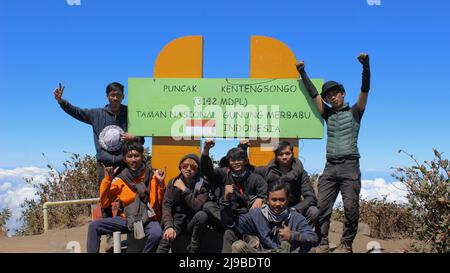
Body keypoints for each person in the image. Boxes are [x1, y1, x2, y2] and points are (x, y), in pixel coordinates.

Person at [296, 53, 371, 253]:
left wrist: (366, 67)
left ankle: (346, 244)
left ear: (343, 94)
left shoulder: (356, 111)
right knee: (321, 208)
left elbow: (365, 90)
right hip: (330, 167)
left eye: (335, 93)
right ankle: (323, 243)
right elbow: (313, 95)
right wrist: (302, 72)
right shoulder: (327, 114)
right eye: (328, 95)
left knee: (351, 209)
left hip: (350, 166)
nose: (331, 97)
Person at [53, 82, 145, 220]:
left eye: (118, 95)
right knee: (105, 197)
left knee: (128, 194)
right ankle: (109, 231)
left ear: (123, 96)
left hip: (125, 163)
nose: (115, 98)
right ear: (107, 96)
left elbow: (141, 139)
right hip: (105, 163)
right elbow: (77, 112)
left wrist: (134, 137)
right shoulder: (96, 114)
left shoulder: (130, 114)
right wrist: (61, 101)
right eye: (113, 95)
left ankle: (128, 224)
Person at [86, 141, 165, 253]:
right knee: (94, 226)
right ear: (124, 159)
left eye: (136, 156)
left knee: (156, 233)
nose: (133, 159)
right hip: (127, 219)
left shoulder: (153, 175)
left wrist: (161, 184)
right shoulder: (120, 179)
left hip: (148, 218)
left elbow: (159, 201)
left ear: (142, 156)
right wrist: (107, 180)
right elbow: (105, 203)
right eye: (130, 156)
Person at [221, 180, 318, 253]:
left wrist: (292, 235)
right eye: (274, 200)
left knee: (312, 250)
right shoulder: (256, 215)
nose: (278, 204)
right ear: (267, 200)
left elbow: (313, 238)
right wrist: (226, 199)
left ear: (287, 200)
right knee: (238, 246)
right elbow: (231, 223)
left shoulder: (295, 217)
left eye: (282, 200)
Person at [247, 140, 319, 227]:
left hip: (293, 209)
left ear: (292, 154)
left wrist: (294, 209)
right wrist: (243, 148)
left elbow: (311, 198)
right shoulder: (267, 171)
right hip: (272, 208)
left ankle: (303, 235)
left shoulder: (301, 173)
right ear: (276, 156)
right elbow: (248, 169)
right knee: (255, 209)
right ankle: (260, 236)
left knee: (313, 211)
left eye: (287, 153)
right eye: (281, 154)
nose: (284, 157)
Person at [157, 154, 210, 253]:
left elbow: (197, 207)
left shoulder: (203, 185)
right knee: (165, 240)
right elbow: (166, 205)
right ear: (181, 167)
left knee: (202, 215)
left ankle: (193, 249)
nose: (188, 169)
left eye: (193, 167)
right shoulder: (173, 182)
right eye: (185, 166)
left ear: (197, 170)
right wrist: (168, 226)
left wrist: (184, 189)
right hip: (177, 221)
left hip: (192, 221)